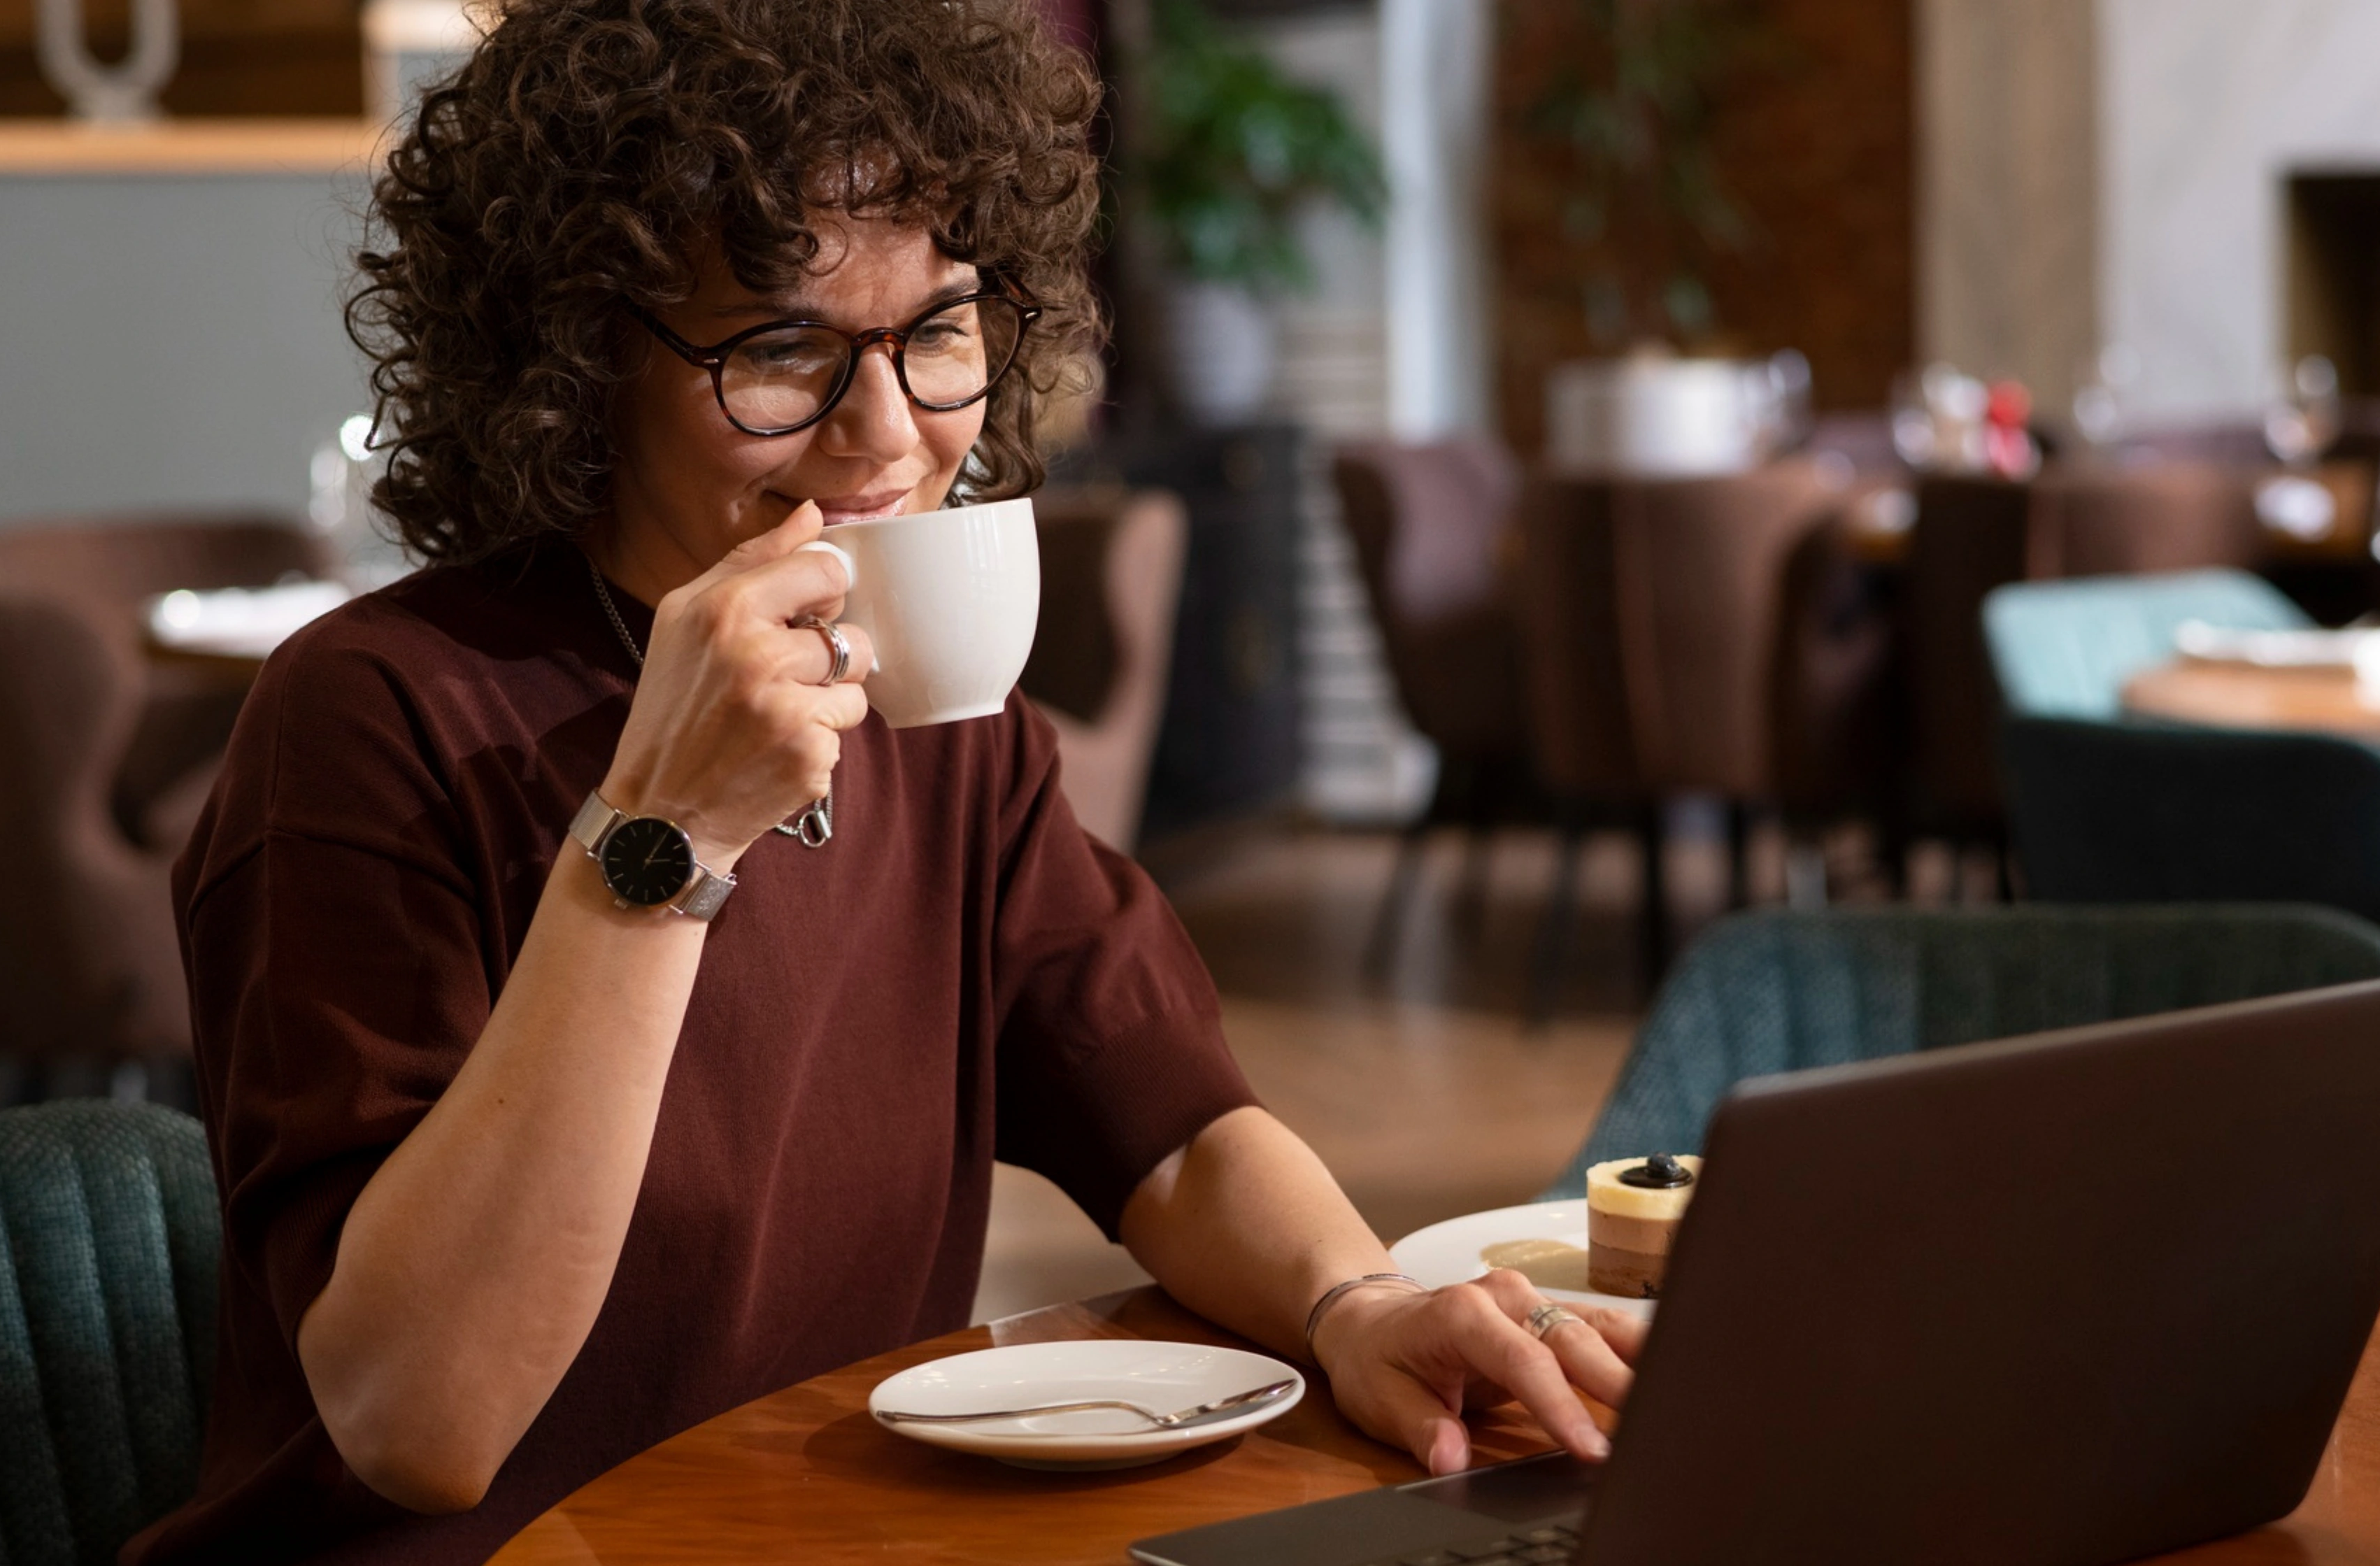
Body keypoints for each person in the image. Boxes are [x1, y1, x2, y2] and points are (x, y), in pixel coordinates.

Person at [124, 3, 1639, 1561]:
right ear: (578, 364)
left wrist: (1356, 1302)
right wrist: (662, 838)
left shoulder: (935, 713)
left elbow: (1173, 1138)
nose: (888, 433)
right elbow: (422, 1425)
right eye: (780, 347)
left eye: (936, 334)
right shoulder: (379, 719)